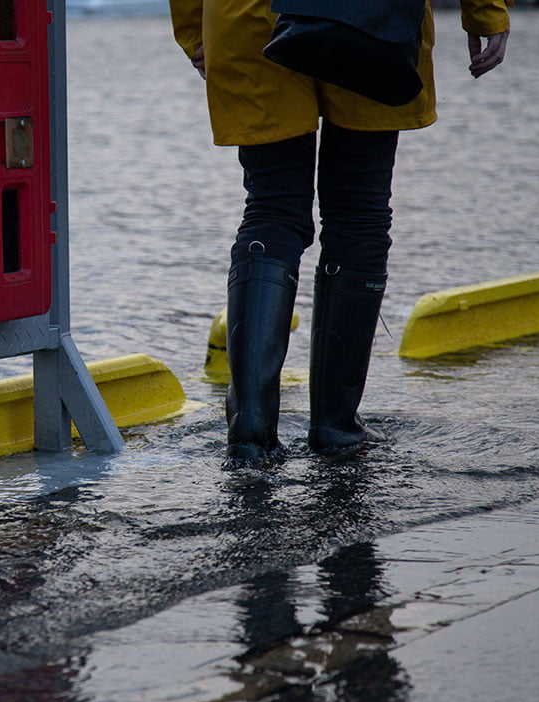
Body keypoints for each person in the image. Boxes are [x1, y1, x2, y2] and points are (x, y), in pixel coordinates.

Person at [169, 0, 511, 465]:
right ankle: (335, 428)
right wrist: (486, 12)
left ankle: (250, 428)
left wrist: (196, 29)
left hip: (248, 13)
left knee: (272, 209)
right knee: (358, 212)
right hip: (371, 16)